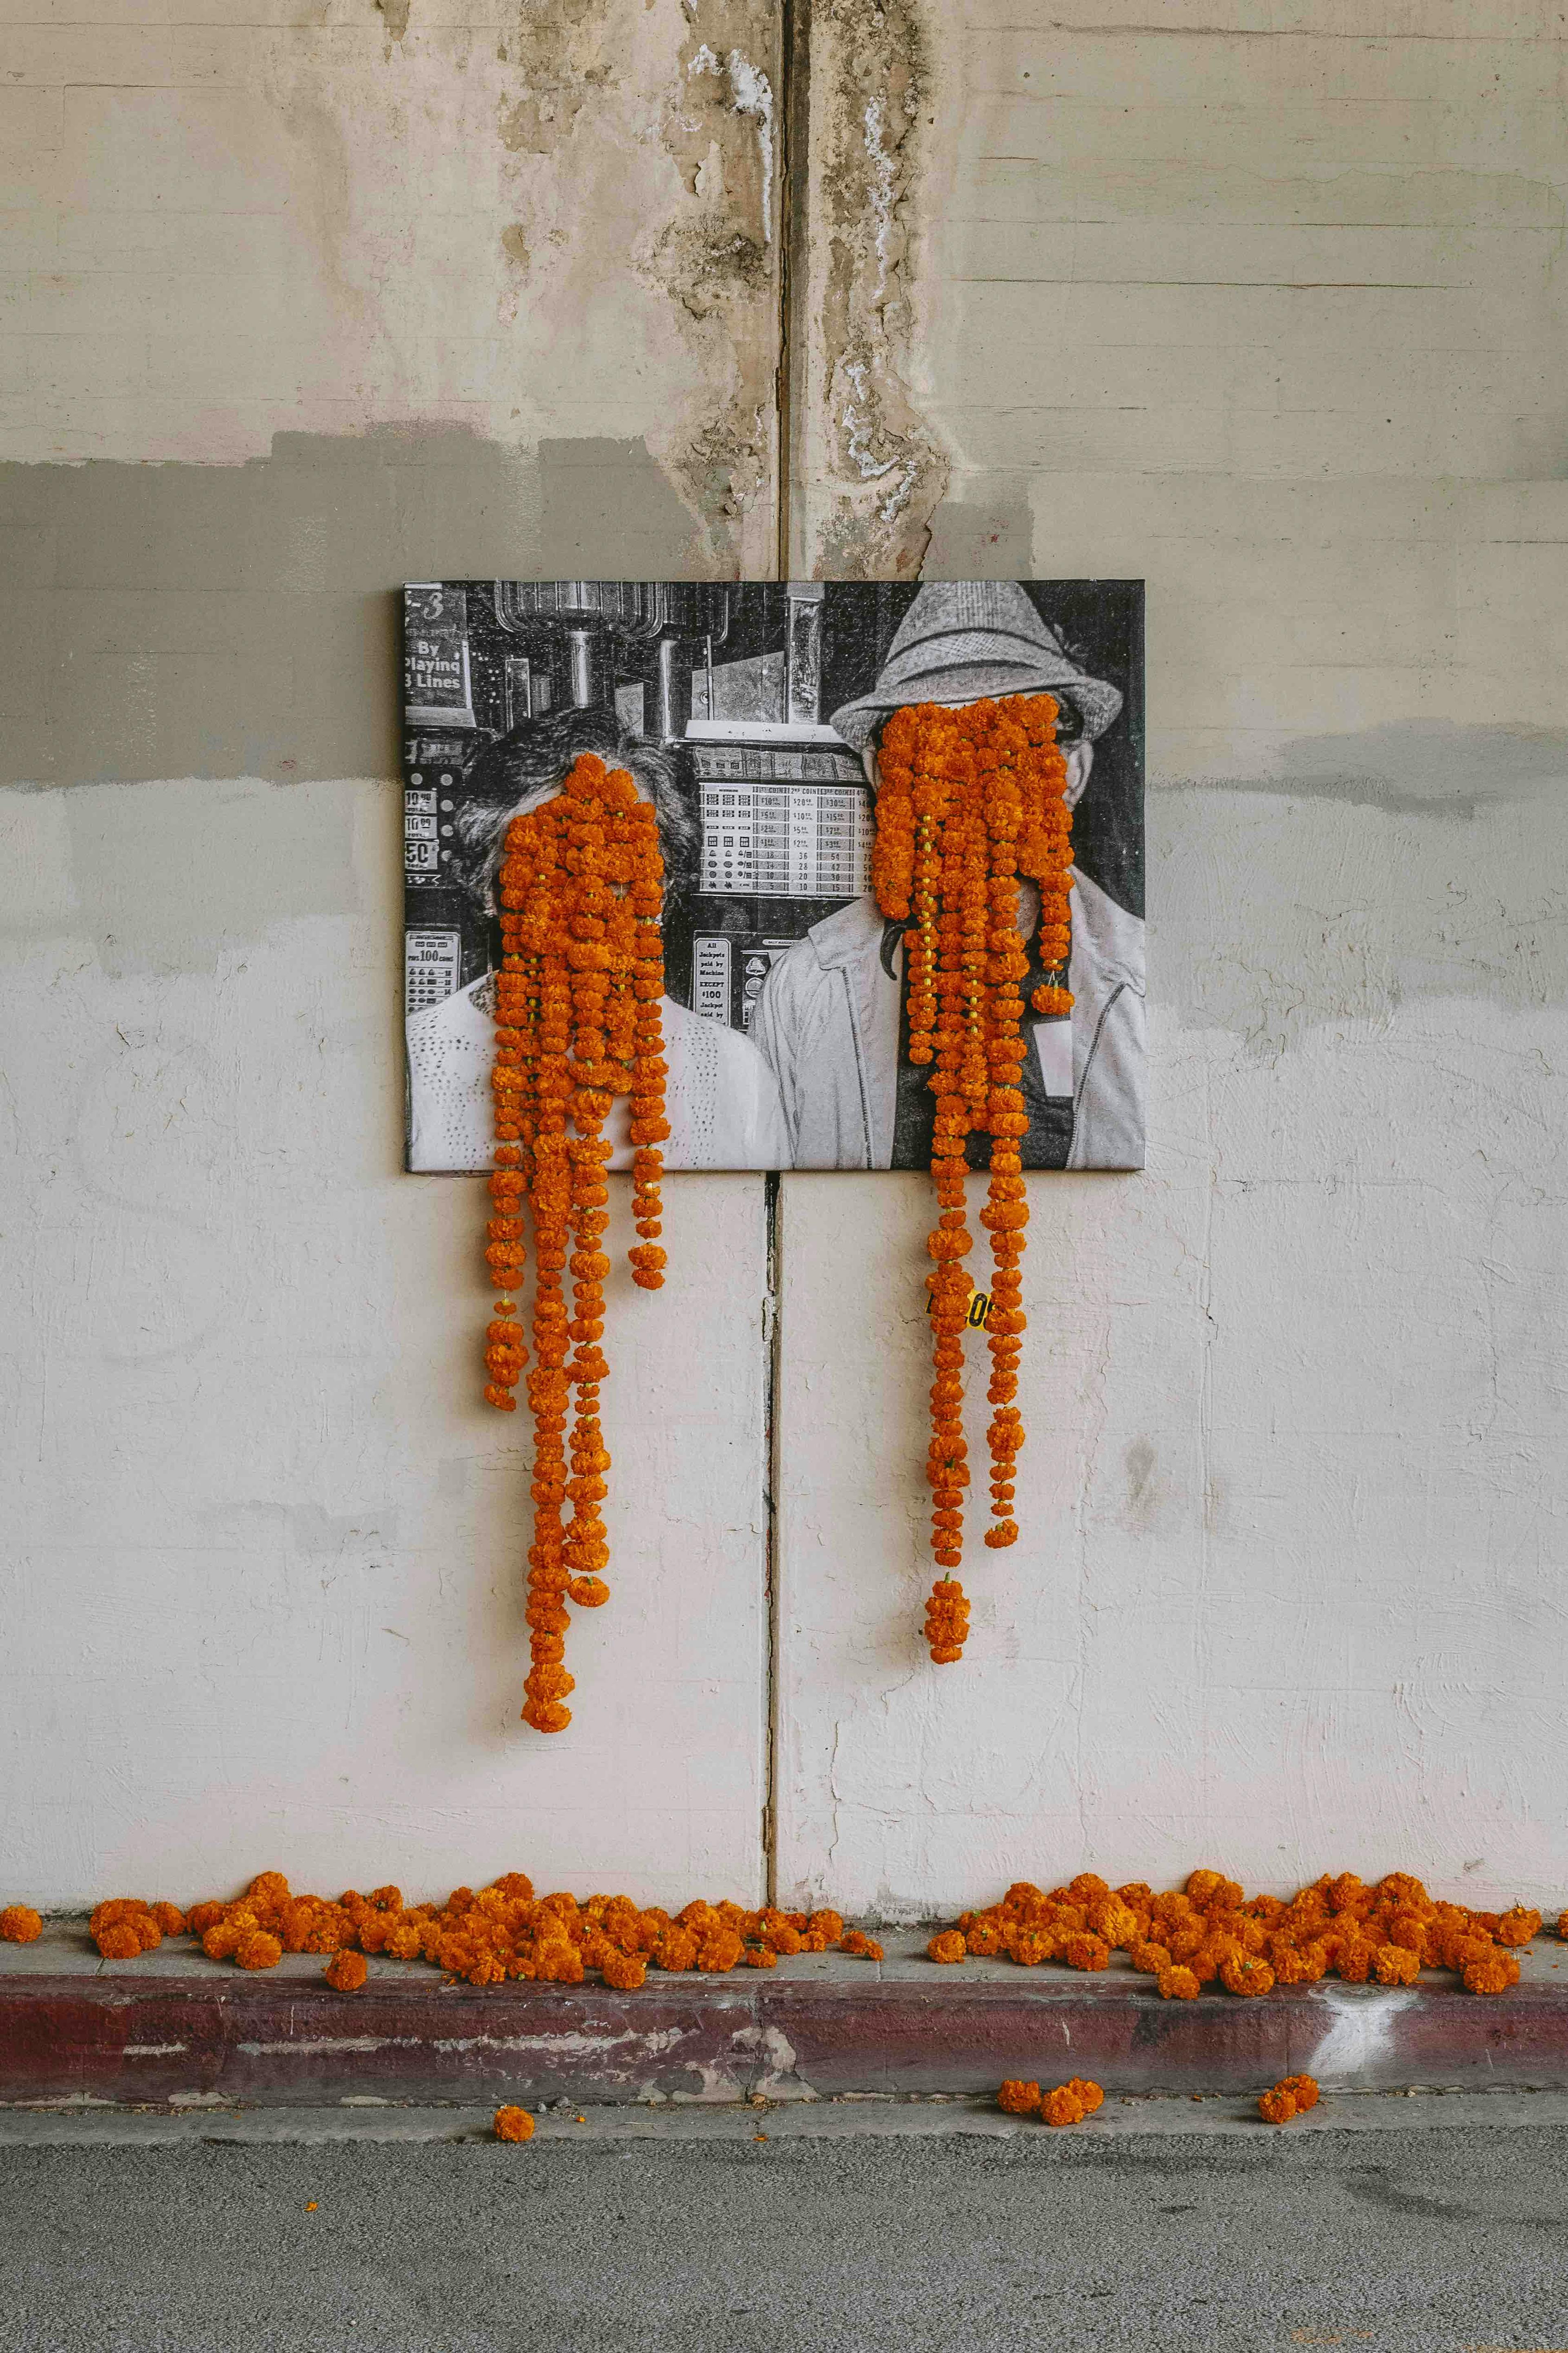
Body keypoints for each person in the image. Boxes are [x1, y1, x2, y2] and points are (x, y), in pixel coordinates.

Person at [752, 582, 1145, 1171]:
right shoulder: (805, 990)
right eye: (934, 744)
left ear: (1072, 771)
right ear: (884, 776)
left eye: (1007, 740)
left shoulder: (1145, 984)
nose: (970, 777)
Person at [407, 708, 793, 1172]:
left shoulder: (736, 1074)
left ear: (661, 893)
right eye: (547, 860)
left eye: (621, 864)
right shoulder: (412, 1066)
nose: (588, 896)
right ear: (489, 889)